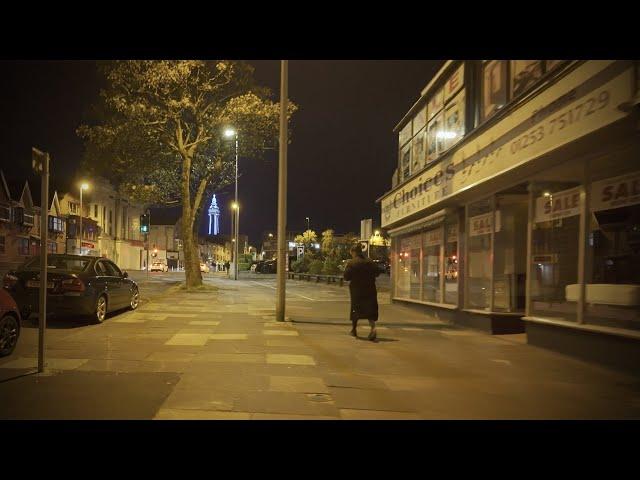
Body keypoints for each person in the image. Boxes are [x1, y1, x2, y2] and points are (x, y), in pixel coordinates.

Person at [343, 244, 380, 341]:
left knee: (356, 310)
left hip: (357, 290)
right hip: (370, 289)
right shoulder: (370, 261)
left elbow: (346, 277)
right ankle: (373, 328)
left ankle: (354, 330)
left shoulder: (352, 263)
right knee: (370, 310)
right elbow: (377, 272)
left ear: (354, 252)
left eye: (351, 253)